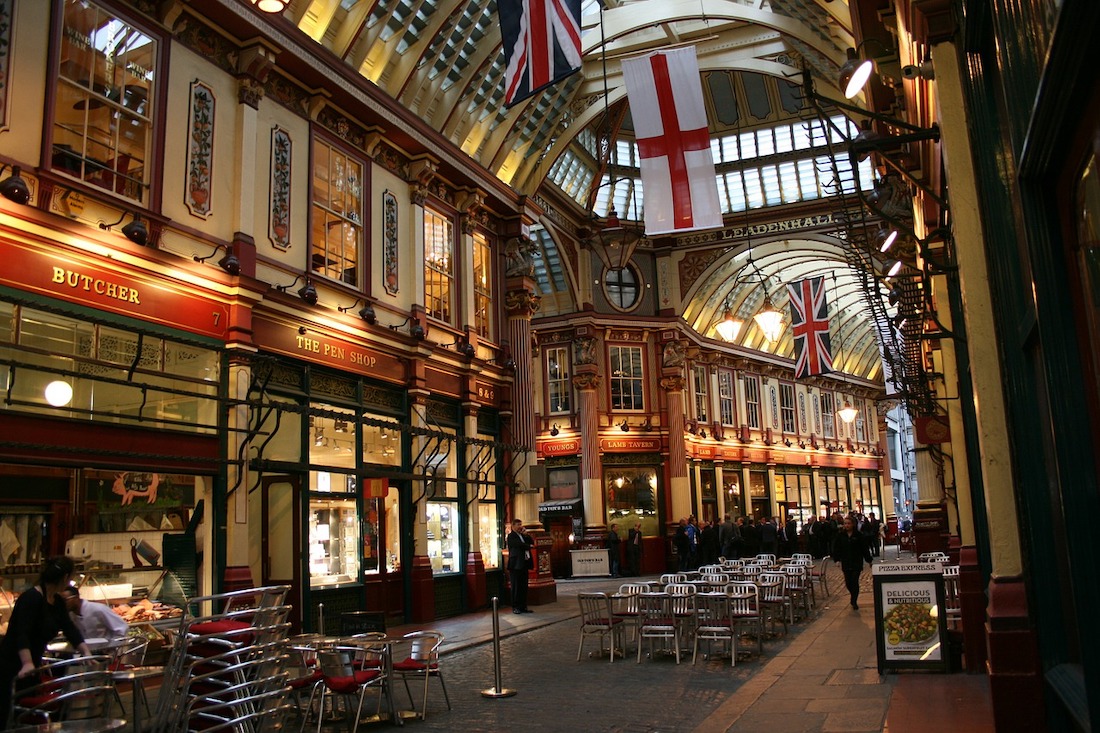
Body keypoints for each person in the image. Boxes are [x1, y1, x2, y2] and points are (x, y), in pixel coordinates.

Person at [0, 556, 90, 728]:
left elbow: (69, 628)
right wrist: (26, 662)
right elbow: (22, 633)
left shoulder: (57, 602)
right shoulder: (31, 598)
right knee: (8, 712)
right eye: (71, 578)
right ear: (64, 578)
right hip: (12, 665)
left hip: (32, 665)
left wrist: (85, 651)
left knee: (26, 714)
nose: (70, 582)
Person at [832, 514, 874, 610]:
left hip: (856, 561)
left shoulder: (859, 535)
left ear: (853, 524)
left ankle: (854, 600)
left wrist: (869, 560)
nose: (846, 525)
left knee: (854, 581)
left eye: (848, 524)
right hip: (846, 561)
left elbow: (864, 549)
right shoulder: (840, 535)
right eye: (845, 524)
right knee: (848, 582)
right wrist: (837, 559)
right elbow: (837, 548)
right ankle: (853, 594)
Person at [60, 587, 129, 641]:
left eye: (65, 600)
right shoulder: (70, 615)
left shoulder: (98, 609)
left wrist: (112, 646)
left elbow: (122, 628)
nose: (62, 604)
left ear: (76, 598)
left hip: (106, 651)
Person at [506, 519, 534, 614]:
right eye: (518, 524)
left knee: (523, 586)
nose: (520, 526)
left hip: (524, 564)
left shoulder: (522, 535)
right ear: (513, 526)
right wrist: (528, 546)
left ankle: (523, 606)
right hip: (516, 565)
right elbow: (519, 545)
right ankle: (515, 606)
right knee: (516, 586)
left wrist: (526, 534)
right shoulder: (511, 536)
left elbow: (531, 541)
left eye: (521, 524)